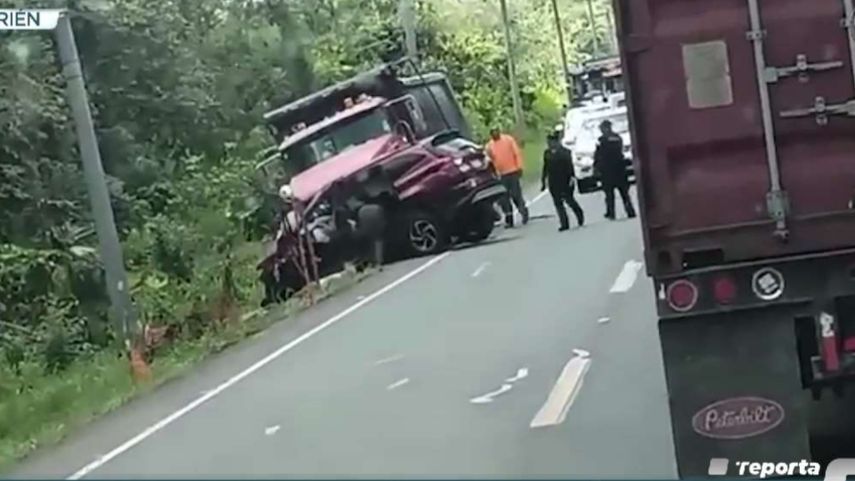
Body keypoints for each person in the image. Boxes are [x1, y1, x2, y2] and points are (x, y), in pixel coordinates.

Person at [541, 127, 585, 231]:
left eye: (551, 142)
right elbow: (545, 168)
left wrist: (572, 178)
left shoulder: (565, 152)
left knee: (569, 200)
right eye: (548, 142)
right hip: (553, 181)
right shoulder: (547, 153)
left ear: (556, 142)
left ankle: (579, 214)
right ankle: (564, 223)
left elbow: (570, 167)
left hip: (565, 180)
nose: (549, 144)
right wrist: (543, 181)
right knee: (558, 203)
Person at [486, 127, 529, 228]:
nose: (495, 133)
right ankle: (509, 219)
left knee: (516, 195)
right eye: (492, 132)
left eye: (496, 131)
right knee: (503, 198)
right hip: (500, 175)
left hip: (512, 171)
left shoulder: (508, 140)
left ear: (499, 131)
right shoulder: (489, 146)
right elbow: (489, 161)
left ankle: (523, 212)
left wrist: (519, 167)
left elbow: (516, 153)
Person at [594, 119, 636, 220]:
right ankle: (630, 211)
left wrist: (596, 167)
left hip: (607, 170)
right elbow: (619, 151)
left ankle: (611, 213)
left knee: (609, 193)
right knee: (624, 193)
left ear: (605, 128)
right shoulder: (617, 138)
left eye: (602, 128)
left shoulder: (601, 140)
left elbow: (598, 155)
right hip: (619, 168)